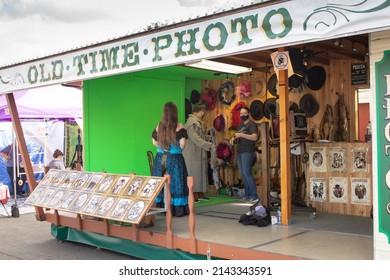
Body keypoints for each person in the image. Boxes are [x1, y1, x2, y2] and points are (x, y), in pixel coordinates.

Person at [151, 102, 189, 217]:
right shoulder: (179, 126)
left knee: (161, 182)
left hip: (160, 159)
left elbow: (154, 142)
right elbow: (182, 144)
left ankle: (161, 207)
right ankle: (177, 208)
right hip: (175, 159)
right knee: (176, 183)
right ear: (175, 113)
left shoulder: (159, 126)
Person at [183, 103, 215, 203]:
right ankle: (193, 195)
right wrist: (209, 145)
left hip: (199, 151)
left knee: (201, 172)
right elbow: (195, 138)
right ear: (199, 111)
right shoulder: (191, 122)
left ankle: (200, 193)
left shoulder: (197, 122)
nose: (203, 114)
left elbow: (200, 136)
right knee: (194, 173)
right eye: (202, 112)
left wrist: (208, 138)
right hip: (192, 153)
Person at [230, 106, 259, 203]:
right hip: (240, 151)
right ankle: (247, 194)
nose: (242, 115)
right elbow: (238, 136)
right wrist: (234, 139)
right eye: (241, 114)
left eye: (244, 113)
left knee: (247, 173)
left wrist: (241, 135)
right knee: (243, 174)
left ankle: (254, 195)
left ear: (248, 114)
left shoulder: (252, 124)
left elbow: (255, 137)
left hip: (248, 151)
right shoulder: (240, 126)